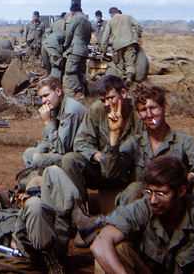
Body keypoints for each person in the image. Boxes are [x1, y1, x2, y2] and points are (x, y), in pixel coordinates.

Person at [91, 156, 194, 274]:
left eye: (161, 193)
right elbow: (100, 244)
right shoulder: (142, 208)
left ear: (181, 191)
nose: (153, 200)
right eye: (148, 192)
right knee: (115, 252)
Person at [100, 84, 194, 207]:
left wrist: (192, 177)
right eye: (143, 110)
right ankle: (128, 224)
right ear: (138, 113)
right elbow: (109, 173)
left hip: (176, 205)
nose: (149, 115)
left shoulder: (184, 141)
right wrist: (114, 134)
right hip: (146, 207)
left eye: (153, 108)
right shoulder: (135, 142)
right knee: (135, 188)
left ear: (164, 107)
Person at [0, 167, 82, 273]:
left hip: (53, 233)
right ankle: (49, 259)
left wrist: (23, 206)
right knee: (34, 203)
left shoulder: (3, 207)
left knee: (52, 172)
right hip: (36, 249)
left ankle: (83, 219)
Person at [60, 75, 145, 205]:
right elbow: (81, 142)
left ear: (123, 93)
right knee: (69, 159)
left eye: (111, 98)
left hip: (128, 174)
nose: (107, 104)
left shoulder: (139, 115)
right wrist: (98, 156)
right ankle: (79, 209)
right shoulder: (97, 110)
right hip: (102, 171)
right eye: (103, 100)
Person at [23, 75, 87, 168]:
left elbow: (62, 149)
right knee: (29, 154)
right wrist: (38, 151)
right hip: (63, 150)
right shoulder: (55, 106)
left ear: (58, 91)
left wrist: (48, 122)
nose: (44, 101)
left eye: (46, 95)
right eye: (41, 97)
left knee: (38, 160)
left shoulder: (71, 111)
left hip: (75, 156)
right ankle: (39, 179)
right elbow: (48, 139)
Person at [101, 7, 142, 85]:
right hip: (130, 43)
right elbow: (137, 26)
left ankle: (122, 79)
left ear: (110, 14)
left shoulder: (110, 22)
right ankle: (129, 77)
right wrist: (138, 36)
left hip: (117, 45)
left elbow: (105, 37)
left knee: (119, 64)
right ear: (118, 12)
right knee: (130, 61)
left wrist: (104, 50)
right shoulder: (128, 17)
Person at [62, 0, 92, 97]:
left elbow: (69, 32)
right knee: (79, 73)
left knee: (70, 72)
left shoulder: (75, 18)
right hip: (84, 51)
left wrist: (65, 45)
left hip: (75, 50)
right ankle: (83, 94)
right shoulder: (87, 21)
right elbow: (88, 38)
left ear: (73, 11)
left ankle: (78, 91)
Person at [40, 12, 67, 78]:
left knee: (48, 69)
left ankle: (48, 82)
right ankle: (55, 85)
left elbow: (48, 32)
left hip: (45, 43)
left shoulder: (55, 23)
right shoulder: (67, 24)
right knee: (57, 66)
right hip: (54, 45)